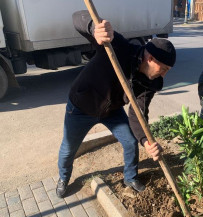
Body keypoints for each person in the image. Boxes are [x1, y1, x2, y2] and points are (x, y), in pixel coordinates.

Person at [56, 10, 176, 198]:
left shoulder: (150, 82)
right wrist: (95, 28)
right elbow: (77, 17)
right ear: (150, 59)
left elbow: (138, 114)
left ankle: (130, 177)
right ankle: (63, 178)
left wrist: (145, 141)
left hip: (111, 111)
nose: (164, 75)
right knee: (69, 147)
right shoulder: (118, 47)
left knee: (130, 141)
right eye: (164, 69)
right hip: (81, 107)